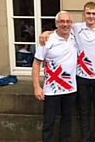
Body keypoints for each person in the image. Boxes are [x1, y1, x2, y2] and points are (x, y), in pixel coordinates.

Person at [39, 2, 95, 142]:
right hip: (81, 77)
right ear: (83, 14)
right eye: (88, 13)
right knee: (83, 110)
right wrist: (46, 33)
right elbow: (61, 29)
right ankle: (85, 138)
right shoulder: (76, 28)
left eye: (93, 13)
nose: (91, 16)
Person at [32, 11, 77, 142]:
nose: (65, 24)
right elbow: (36, 63)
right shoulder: (47, 40)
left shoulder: (75, 37)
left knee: (67, 120)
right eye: (62, 21)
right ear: (56, 23)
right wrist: (36, 86)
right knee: (49, 121)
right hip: (51, 90)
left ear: (71, 24)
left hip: (70, 89)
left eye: (68, 21)